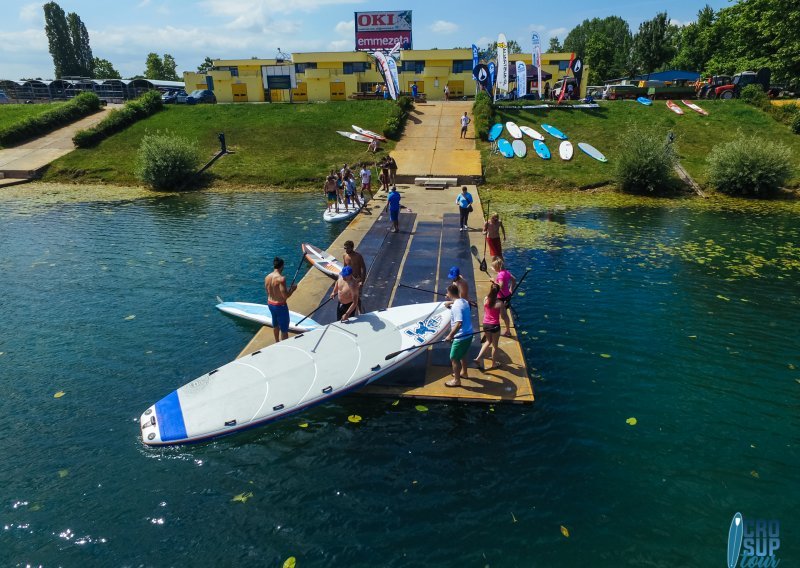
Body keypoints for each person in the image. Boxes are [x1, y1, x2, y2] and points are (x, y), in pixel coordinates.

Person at [444, 283, 473, 387]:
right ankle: (464, 373)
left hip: (461, 336)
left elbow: (459, 323)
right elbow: (460, 306)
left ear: (450, 293)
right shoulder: (464, 301)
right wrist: (450, 303)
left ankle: (457, 381)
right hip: (469, 334)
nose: (446, 294)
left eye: (447, 292)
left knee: (454, 358)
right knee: (463, 354)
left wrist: (450, 335)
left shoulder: (456, 306)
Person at [264, 256, 297, 343]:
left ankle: (277, 341)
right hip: (280, 306)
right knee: (284, 329)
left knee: (275, 324)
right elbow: (285, 296)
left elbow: (268, 292)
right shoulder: (281, 279)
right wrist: (293, 289)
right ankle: (284, 345)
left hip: (270, 303)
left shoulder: (267, 277)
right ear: (282, 266)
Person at [473, 283, 504, 370]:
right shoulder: (499, 303)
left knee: (488, 341)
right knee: (495, 345)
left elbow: (486, 310)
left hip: (486, 324)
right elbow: (503, 316)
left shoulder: (486, 299)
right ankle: (494, 364)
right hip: (495, 326)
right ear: (498, 291)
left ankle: (478, 358)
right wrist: (504, 306)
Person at [492, 257, 516, 337]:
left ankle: (508, 332)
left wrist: (494, 282)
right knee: (502, 314)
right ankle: (506, 330)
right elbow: (514, 280)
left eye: (495, 268)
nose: (494, 270)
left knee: (503, 315)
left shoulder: (500, 275)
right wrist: (511, 289)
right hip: (507, 296)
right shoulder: (506, 272)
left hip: (501, 298)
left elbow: (501, 286)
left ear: (498, 267)